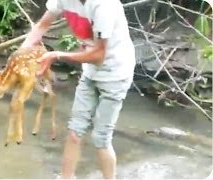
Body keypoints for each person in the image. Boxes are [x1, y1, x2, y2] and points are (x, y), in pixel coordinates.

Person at [21, 0, 136, 179]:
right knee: (75, 131)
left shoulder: (103, 5)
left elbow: (98, 56)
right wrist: (17, 58)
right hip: (90, 72)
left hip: (115, 74)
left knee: (101, 138)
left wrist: (57, 55)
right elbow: (42, 25)